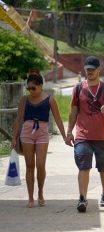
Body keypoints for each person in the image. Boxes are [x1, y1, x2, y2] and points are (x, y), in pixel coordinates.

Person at [65, 56, 104, 213]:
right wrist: (69, 132)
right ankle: (82, 198)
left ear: (99, 69)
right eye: (87, 69)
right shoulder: (78, 88)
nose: (89, 72)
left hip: (102, 136)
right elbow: (73, 111)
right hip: (83, 136)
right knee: (83, 165)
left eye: (92, 70)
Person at [11, 73, 67, 208]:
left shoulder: (50, 99)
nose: (31, 91)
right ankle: (30, 197)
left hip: (42, 132)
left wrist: (65, 136)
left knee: (40, 165)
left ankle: (40, 192)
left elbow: (58, 119)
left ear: (40, 86)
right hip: (27, 131)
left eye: (33, 88)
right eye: (28, 88)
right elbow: (18, 119)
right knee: (30, 165)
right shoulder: (24, 100)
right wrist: (14, 138)